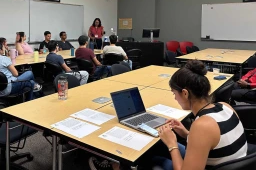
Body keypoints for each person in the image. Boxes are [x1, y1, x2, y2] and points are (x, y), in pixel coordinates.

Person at [90, 60, 248, 170]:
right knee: (160, 143)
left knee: (151, 158)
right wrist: (186, 133)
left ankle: (117, 166)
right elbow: (214, 141)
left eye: (174, 93)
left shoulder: (202, 126)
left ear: (185, 93)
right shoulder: (225, 106)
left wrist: (172, 143)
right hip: (224, 162)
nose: (174, 98)